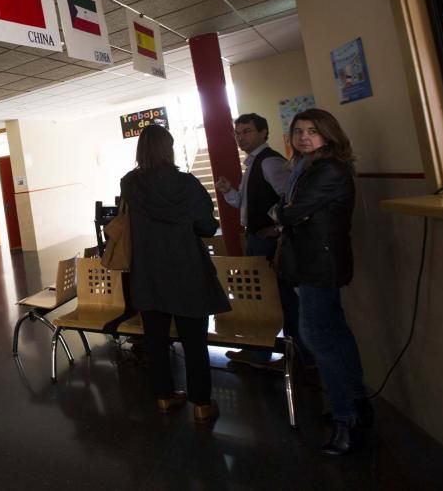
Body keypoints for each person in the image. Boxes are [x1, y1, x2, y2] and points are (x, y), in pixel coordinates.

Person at [272, 109, 369, 456]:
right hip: (314, 262)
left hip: (319, 265)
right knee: (336, 333)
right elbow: (293, 208)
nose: (304, 137)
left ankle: (346, 421)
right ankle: (357, 405)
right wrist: (288, 210)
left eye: (312, 131)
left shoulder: (328, 169)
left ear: (328, 134)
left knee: (317, 338)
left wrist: (282, 213)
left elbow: (290, 212)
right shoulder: (307, 167)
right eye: (298, 131)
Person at [120, 124, 230, 425]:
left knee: (155, 340)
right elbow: (206, 226)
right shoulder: (187, 183)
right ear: (168, 148)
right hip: (186, 271)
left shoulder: (129, 183)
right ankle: (202, 404)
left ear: (141, 150)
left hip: (148, 272)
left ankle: (165, 396)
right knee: (194, 340)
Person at [214, 113, 309, 370]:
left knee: (280, 298)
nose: (240, 137)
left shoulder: (269, 162)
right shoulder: (253, 163)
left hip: (269, 241)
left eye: (246, 131)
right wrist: (227, 192)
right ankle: (269, 352)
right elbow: (243, 205)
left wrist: (278, 229)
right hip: (255, 237)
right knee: (268, 297)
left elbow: (290, 200)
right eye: (237, 132)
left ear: (263, 132)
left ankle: (296, 355)